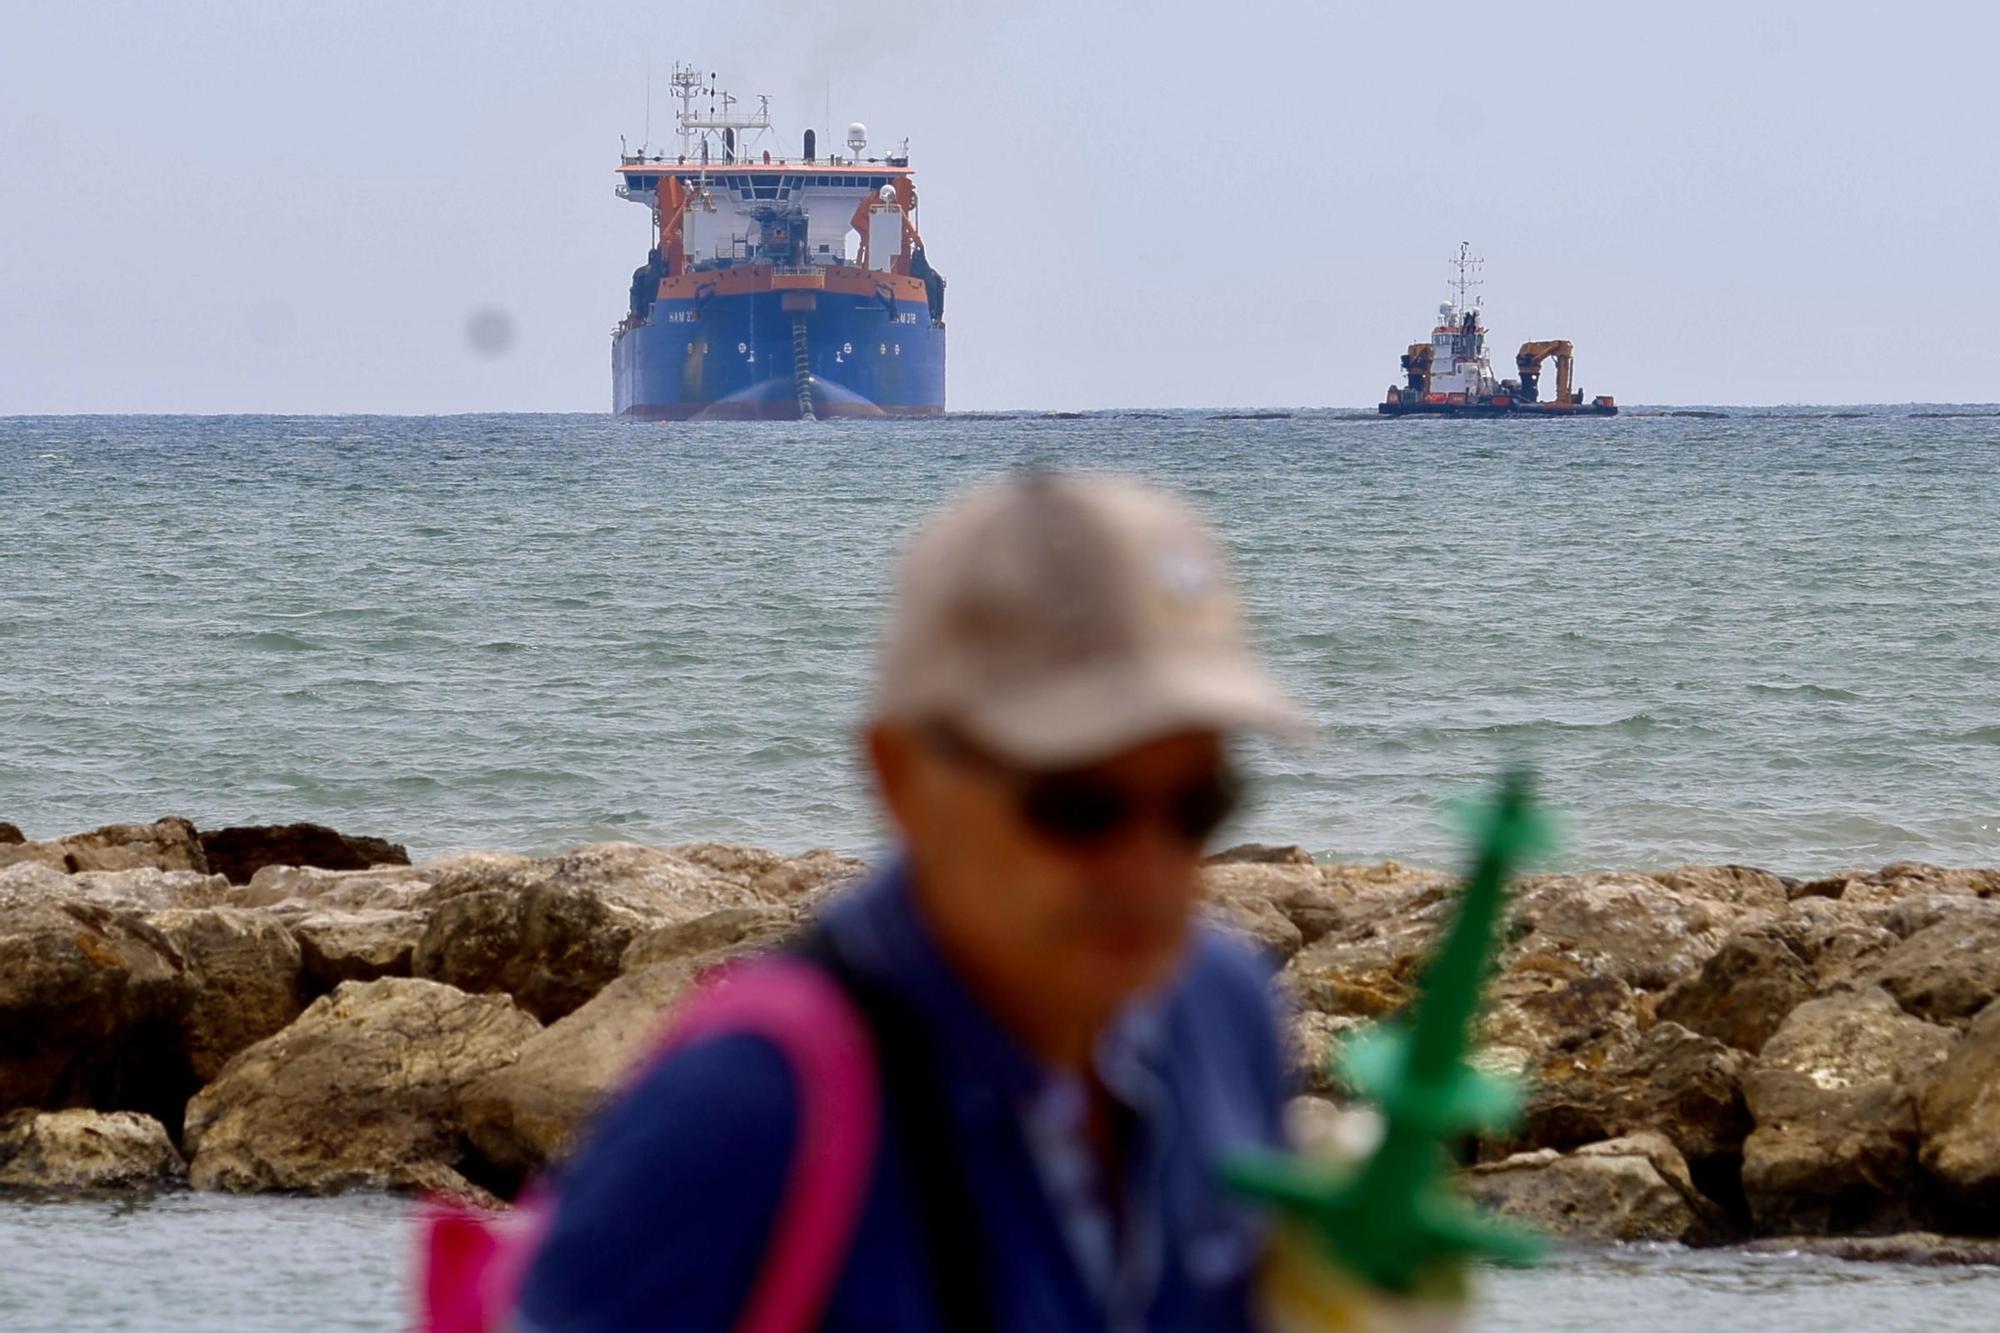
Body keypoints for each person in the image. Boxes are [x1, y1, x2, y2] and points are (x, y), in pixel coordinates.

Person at [514, 471, 1305, 1331]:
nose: (1151, 870)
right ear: (902, 775)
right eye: (1079, 808)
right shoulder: (743, 1116)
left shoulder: (1228, 1012)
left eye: (1199, 807)